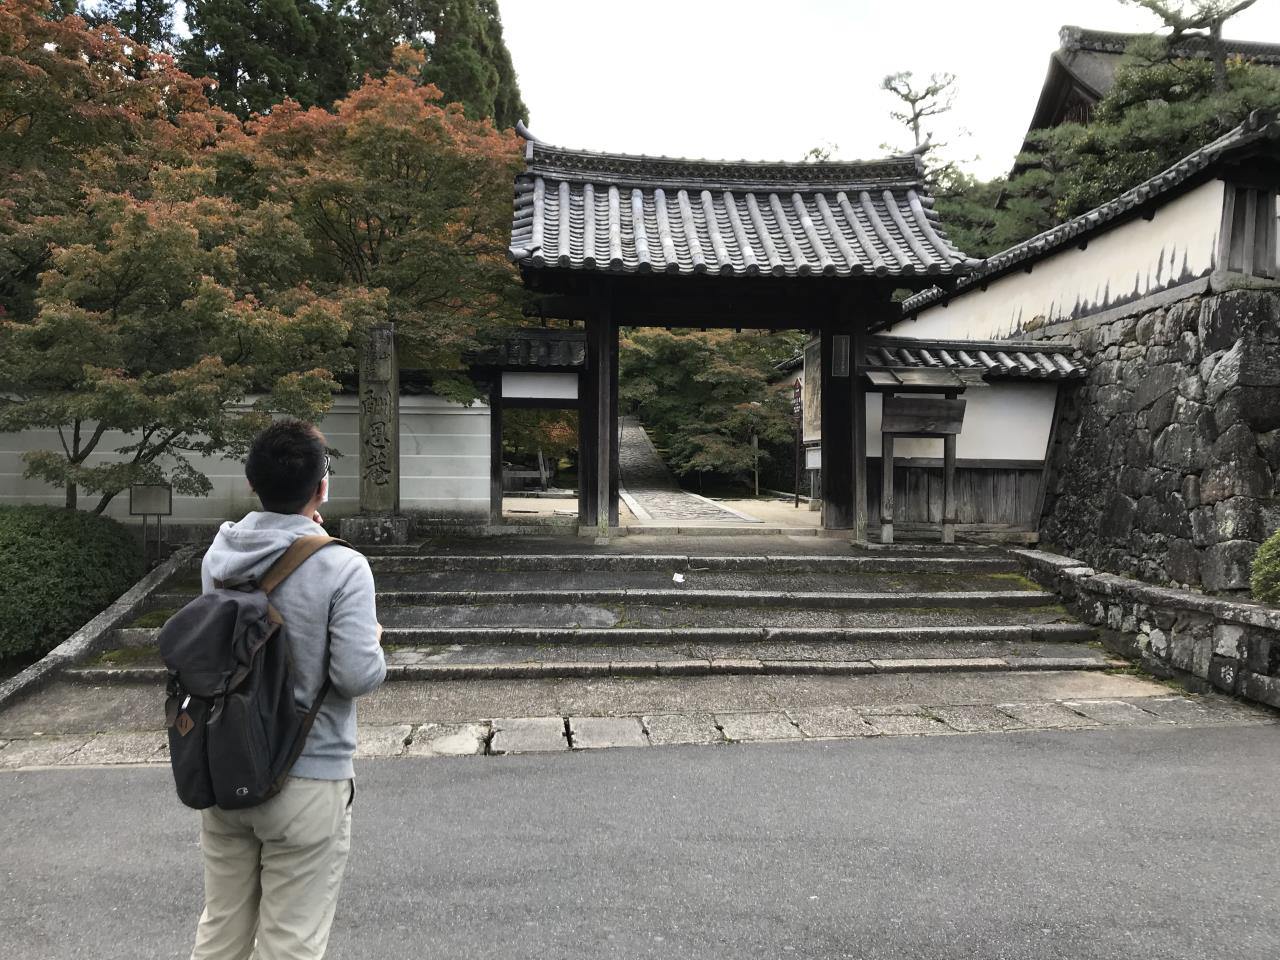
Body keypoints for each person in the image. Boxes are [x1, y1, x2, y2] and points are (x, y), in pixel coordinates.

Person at [189, 419, 386, 960]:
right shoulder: (343, 566)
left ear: (252, 483)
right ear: (322, 487)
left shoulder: (219, 558)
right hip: (308, 774)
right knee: (291, 942)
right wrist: (374, 639)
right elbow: (354, 675)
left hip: (226, 765)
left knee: (221, 926)